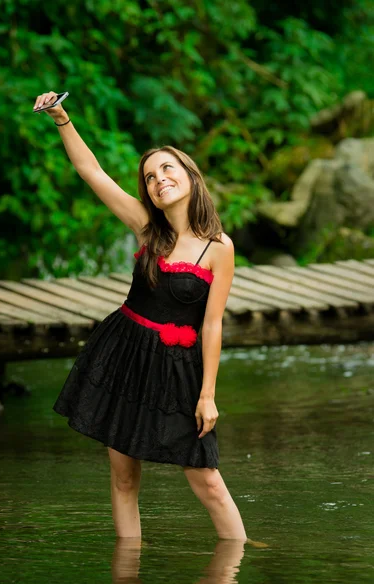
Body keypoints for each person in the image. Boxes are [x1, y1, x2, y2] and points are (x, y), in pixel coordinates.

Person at [33, 91, 247, 542]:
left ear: (190, 174)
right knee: (124, 479)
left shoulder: (219, 248)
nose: (158, 179)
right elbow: (92, 172)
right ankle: (126, 579)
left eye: (167, 168)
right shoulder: (147, 227)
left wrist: (207, 395)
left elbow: (212, 324)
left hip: (178, 370)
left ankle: (237, 562)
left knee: (206, 477)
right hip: (125, 354)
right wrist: (62, 119)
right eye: (150, 176)